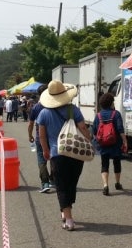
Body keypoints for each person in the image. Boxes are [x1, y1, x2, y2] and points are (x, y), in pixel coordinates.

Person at [36, 80, 91, 231]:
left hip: (57, 154)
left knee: (61, 186)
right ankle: (67, 211)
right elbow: (83, 128)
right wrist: (89, 139)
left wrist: (46, 150)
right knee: (71, 183)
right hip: (75, 153)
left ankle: (68, 219)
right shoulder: (73, 110)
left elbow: (42, 136)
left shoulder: (44, 113)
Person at [91, 92, 128, 196]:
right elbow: (120, 129)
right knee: (117, 162)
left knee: (104, 164)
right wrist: (125, 141)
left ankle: (105, 185)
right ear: (111, 103)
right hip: (115, 143)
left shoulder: (98, 115)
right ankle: (117, 183)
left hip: (103, 144)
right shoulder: (116, 114)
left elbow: (94, 131)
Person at [27, 84, 53, 193]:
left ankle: (45, 183)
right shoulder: (54, 105)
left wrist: (30, 135)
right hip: (53, 137)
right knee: (54, 158)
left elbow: (31, 124)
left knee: (41, 160)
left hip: (39, 137)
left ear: (38, 95)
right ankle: (54, 179)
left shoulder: (36, 107)